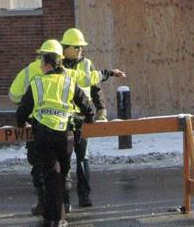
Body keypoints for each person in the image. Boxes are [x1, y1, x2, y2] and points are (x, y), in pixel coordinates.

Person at [16, 48, 95, 227]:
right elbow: (87, 107)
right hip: (65, 135)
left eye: (42, 64)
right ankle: (58, 216)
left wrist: (22, 125)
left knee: (51, 176)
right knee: (62, 175)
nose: (41, 67)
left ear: (49, 65)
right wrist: (88, 119)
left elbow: (22, 111)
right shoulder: (69, 82)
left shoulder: (37, 84)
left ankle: (51, 217)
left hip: (43, 135)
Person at [60, 27, 126, 210]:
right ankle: (64, 200)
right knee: (64, 159)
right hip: (64, 119)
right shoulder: (59, 66)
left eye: (82, 47)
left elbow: (95, 88)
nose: (80, 50)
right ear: (66, 48)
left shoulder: (87, 64)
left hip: (82, 118)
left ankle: (84, 195)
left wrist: (101, 110)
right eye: (77, 47)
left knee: (82, 158)